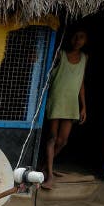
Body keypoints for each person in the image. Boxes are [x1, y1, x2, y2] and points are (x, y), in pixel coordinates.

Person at [43, 28, 88, 189]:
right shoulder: (60, 54)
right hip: (56, 100)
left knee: (62, 141)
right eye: (75, 36)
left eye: (81, 37)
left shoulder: (84, 58)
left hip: (70, 104)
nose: (77, 40)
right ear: (70, 39)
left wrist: (83, 107)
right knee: (52, 139)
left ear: (85, 41)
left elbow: (81, 83)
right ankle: (49, 174)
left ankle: (45, 166)